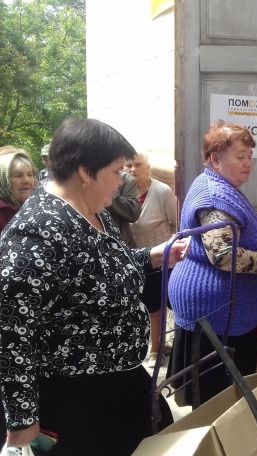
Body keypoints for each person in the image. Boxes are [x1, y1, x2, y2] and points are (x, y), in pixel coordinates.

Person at [0, 118, 188, 455]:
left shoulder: (94, 212)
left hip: (118, 381)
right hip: (76, 399)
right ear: (85, 172)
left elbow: (102, 270)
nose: (123, 181)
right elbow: (12, 332)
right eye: (116, 172)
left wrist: (153, 257)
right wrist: (23, 420)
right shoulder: (37, 231)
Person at [168, 120, 257, 406]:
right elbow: (224, 255)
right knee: (217, 400)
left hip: (218, 310)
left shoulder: (218, 185)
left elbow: (230, 236)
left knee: (221, 396)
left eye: (250, 156)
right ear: (215, 159)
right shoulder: (214, 196)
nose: (248, 163)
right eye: (240, 156)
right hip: (217, 315)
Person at [125, 151, 178, 368]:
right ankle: (156, 343)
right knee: (145, 304)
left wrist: (172, 249)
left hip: (162, 258)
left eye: (137, 165)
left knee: (158, 305)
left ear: (147, 167)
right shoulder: (121, 192)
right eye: (128, 165)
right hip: (135, 258)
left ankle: (157, 349)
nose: (132, 170)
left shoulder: (162, 191)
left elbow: (176, 222)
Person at [0, 150, 36, 231]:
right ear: (3, 180)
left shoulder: (38, 205)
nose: (26, 180)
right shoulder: (2, 212)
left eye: (30, 175)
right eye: (18, 176)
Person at [107, 170, 141, 247]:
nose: (133, 169)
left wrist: (111, 194)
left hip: (124, 244)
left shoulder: (127, 179)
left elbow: (134, 213)